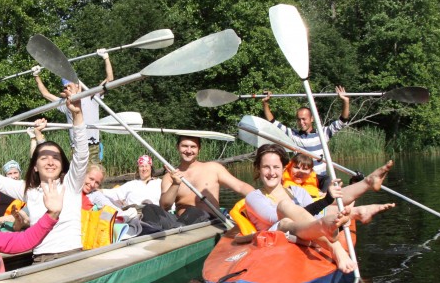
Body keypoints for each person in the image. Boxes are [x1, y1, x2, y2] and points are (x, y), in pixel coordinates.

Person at [0, 83, 88, 262]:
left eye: (55, 157)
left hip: (71, 255)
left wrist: (77, 114)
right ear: (35, 166)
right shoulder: (28, 190)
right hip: (41, 258)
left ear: (62, 164)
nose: (50, 161)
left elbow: (82, 153)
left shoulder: (71, 183)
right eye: (44, 157)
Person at [244, 144, 394, 273]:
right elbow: (278, 217)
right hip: (277, 236)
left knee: (329, 206)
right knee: (286, 209)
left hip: (307, 233)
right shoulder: (253, 197)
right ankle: (335, 245)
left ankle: (367, 183)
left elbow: (311, 216)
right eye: (266, 167)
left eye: (276, 167)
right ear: (258, 168)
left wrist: (328, 201)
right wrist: (325, 201)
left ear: (284, 168)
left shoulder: (298, 192)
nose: (271, 172)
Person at [139, 135, 253, 231]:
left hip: (209, 221)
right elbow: (164, 206)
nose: (188, 150)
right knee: (149, 209)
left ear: (199, 149)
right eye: (184, 146)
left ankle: (175, 232)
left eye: (193, 147)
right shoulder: (169, 176)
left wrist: (263, 200)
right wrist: (176, 184)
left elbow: (240, 186)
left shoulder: (213, 168)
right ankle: (151, 236)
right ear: (177, 147)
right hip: (179, 223)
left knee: (193, 211)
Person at [34, 48, 114, 164]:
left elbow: (110, 80)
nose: (67, 89)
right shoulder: (65, 103)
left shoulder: (91, 96)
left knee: (92, 177)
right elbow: (46, 94)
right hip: (75, 148)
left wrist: (106, 58)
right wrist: (37, 76)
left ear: (78, 86)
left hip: (92, 147)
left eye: (69, 86)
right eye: (65, 88)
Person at [262, 86, 351, 187]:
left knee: (329, 181)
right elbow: (272, 122)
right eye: (299, 119)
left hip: (320, 178)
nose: (301, 122)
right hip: (303, 178)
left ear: (312, 119)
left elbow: (342, 120)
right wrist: (265, 103)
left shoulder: (323, 133)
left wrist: (345, 101)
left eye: (304, 119)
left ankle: (326, 198)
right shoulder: (293, 135)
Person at [93, 154, 161, 209]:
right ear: (138, 169)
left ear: (151, 167)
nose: (144, 169)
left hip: (155, 213)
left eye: (146, 166)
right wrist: (96, 190)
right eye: (141, 166)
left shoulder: (159, 183)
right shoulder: (131, 184)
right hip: (136, 215)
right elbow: (114, 193)